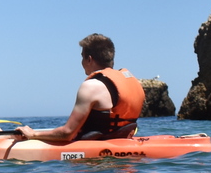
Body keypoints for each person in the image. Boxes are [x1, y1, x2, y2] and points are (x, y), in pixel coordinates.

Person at [16, 34, 144, 143]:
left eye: (82, 57)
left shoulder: (91, 87)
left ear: (89, 59)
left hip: (92, 161)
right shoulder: (134, 83)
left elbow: (67, 133)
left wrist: (33, 135)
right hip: (123, 148)